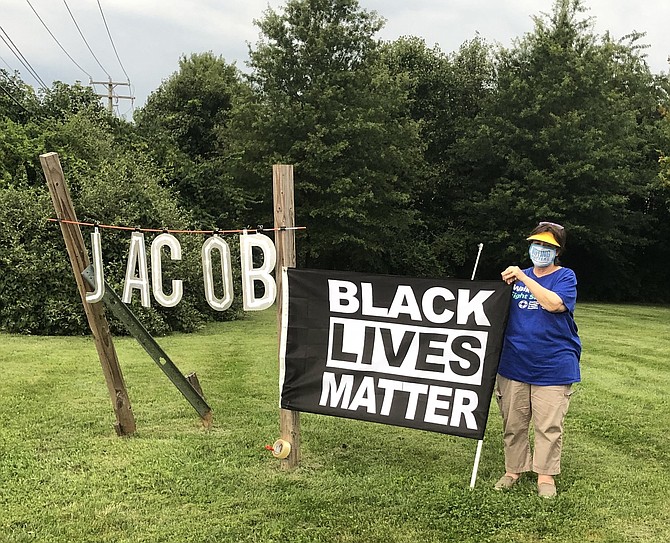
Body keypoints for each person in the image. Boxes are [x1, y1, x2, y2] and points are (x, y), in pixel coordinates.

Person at [494, 222, 581, 498]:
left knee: (548, 425)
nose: (540, 250)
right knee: (513, 422)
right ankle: (513, 469)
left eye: (547, 246)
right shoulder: (515, 278)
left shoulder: (565, 277)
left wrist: (524, 278)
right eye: (536, 244)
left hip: (554, 364)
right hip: (513, 363)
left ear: (557, 251)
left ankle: (545, 475)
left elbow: (554, 304)